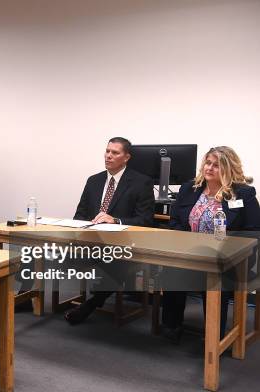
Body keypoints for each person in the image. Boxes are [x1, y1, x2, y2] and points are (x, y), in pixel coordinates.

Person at [162, 146, 260, 342]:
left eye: (216, 165)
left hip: (229, 257)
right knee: (171, 270)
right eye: (207, 163)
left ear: (228, 168)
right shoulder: (190, 188)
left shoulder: (243, 194)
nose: (209, 168)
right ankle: (172, 326)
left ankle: (214, 338)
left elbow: (254, 231)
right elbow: (174, 222)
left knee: (214, 278)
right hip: (191, 253)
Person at [63, 137, 155, 325]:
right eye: (107, 151)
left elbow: (145, 221)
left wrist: (116, 221)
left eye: (115, 153)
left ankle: (92, 303)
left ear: (126, 157)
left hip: (122, 245)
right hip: (90, 241)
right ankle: (24, 299)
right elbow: (79, 214)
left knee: (115, 262)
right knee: (41, 250)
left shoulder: (141, 182)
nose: (108, 156)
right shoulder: (94, 180)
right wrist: (83, 227)